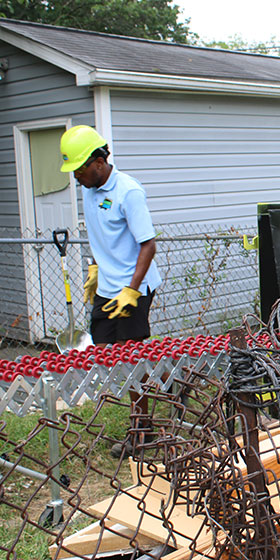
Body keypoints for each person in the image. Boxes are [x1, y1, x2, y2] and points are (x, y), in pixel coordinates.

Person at [59, 125, 162, 456]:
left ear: (98, 161)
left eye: (79, 168)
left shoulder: (129, 192)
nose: (76, 176)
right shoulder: (90, 191)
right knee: (104, 353)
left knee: (131, 358)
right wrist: (94, 267)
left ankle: (143, 431)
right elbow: (101, 239)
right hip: (106, 286)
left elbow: (148, 245)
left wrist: (131, 292)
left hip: (134, 286)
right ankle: (168, 377)